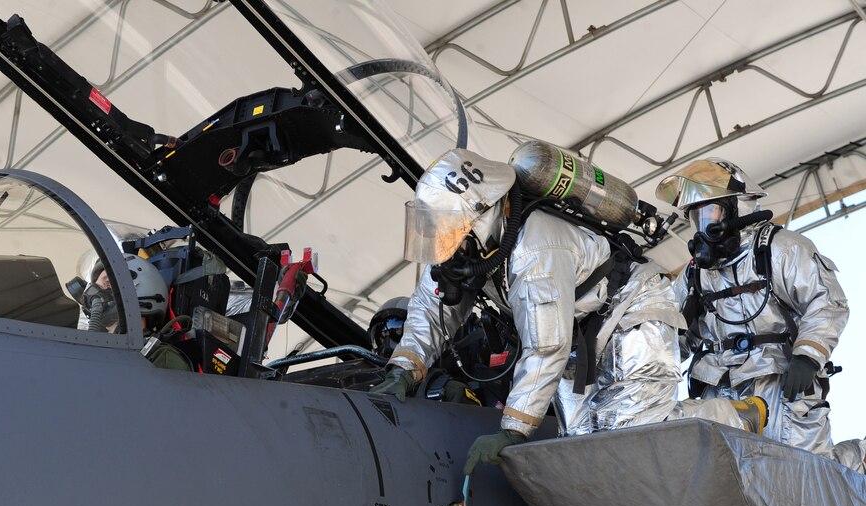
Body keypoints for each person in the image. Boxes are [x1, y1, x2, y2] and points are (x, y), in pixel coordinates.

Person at [370, 148, 768, 474]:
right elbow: (431, 305)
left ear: (482, 214)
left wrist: (512, 430)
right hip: (581, 328)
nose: (441, 244)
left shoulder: (535, 249)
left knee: (631, 431)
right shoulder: (467, 248)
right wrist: (405, 368)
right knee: (580, 448)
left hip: (632, 310)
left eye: (448, 230)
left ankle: (736, 414)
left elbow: (546, 347)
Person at [656, 157, 864, 473]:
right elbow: (673, 337)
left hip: (782, 383)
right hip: (720, 391)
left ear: (738, 207)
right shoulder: (696, 274)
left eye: (710, 212)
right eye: (697, 217)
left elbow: (827, 302)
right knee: (727, 481)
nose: (704, 225)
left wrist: (808, 356)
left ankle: (860, 458)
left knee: (806, 474)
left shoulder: (782, 248)